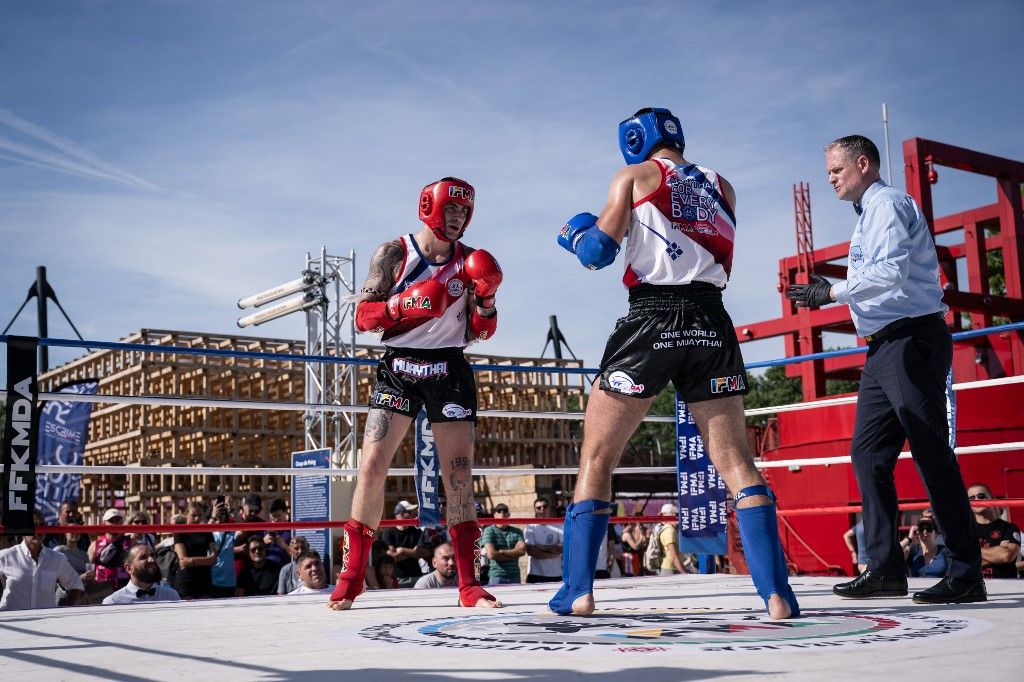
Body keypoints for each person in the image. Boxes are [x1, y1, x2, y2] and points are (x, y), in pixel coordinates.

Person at [552, 107, 799, 619]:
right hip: (712, 320)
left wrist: (577, 234)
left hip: (651, 319)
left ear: (634, 140)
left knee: (597, 459)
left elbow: (599, 252)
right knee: (736, 462)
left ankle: (577, 590)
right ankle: (777, 595)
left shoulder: (633, 176)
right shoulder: (723, 185)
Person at [788, 134, 985, 605]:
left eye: (836, 169)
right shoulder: (866, 217)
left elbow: (892, 273)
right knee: (868, 453)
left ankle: (965, 572)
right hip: (883, 346)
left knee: (931, 452)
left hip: (911, 337)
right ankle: (884, 568)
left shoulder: (888, 206)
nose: (830, 178)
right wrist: (837, 291)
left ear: (863, 163)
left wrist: (830, 293)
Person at [329, 177, 503, 611]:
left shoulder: (472, 261)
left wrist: (487, 298)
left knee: (459, 474)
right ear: (430, 207)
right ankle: (352, 576)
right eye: (452, 210)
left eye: (465, 212)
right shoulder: (394, 254)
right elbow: (363, 318)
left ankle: (468, 585)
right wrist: (403, 304)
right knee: (371, 466)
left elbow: (481, 331)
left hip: (449, 368)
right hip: (400, 367)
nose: (459, 218)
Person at [0, 511, 84, 611]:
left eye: (42, 525)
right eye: (33, 525)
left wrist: (67, 611)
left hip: (45, 623)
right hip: (13, 622)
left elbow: (76, 583)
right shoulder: (6, 556)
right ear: (23, 529)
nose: (39, 530)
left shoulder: (57, 558)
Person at [967, 483, 1021, 579]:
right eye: (971, 498)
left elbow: (1006, 555)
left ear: (992, 498)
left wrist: (970, 550)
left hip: (1005, 588)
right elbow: (963, 563)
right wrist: (996, 554)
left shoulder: (1009, 528)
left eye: (981, 496)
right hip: (973, 587)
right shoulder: (965, 530)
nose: (976, 500)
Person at [102, 545, 181, 605]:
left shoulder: (171, 596)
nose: (152, 560)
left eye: (153, 555)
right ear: (129, 568)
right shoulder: (113, 602)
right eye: (143, 557)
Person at [173, 501, 216, 600]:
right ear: (186, 514)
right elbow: (183, 559)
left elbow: (214, 559)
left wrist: (191, 561)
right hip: (186, 579)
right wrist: (206, 560)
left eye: (199, 515)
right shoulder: (179, 531)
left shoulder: (206, 531)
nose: (197, 518)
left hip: (204, 580)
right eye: (193, 515)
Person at [88, 508, 132, 593]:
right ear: (104, 523)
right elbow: (89, 570)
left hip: (125, 587)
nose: (115, 523)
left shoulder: (130, 542)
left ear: (122, 522)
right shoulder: (95, 544)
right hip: (102, 587)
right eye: (111, 520)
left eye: (118, 520)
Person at [482, 503, 525, 585]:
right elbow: (491, 554)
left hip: (514, 575)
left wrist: (501, 551)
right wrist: (514, 552)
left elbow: (522, 551)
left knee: (516, 598)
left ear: (508, 514)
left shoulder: (517, 531)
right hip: (496, 575)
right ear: (495, 515)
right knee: (495, 598)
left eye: (505, 510)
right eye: (498, 510)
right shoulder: (489, 531)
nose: (502, 513)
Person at [524, 497, 563, 584]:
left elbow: (564, 548)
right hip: (536, 574)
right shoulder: (530, 527)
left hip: (556, 574)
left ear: (549, 508)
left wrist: (541, 547)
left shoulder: (559, 525)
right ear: (535, 510)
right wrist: (554, 553)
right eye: (539, 507)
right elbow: (531, 551)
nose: (542, 509)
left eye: (545, 506)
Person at [210, 497, 240, 598]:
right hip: (212, 580)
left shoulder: (231, 533)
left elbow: (244, 528)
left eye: (223, 513)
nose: (220, 517)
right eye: (219, 513)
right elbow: (201, 534)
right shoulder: (210, 533)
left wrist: (232, 510)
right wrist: (213, 516)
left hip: (229, 582)